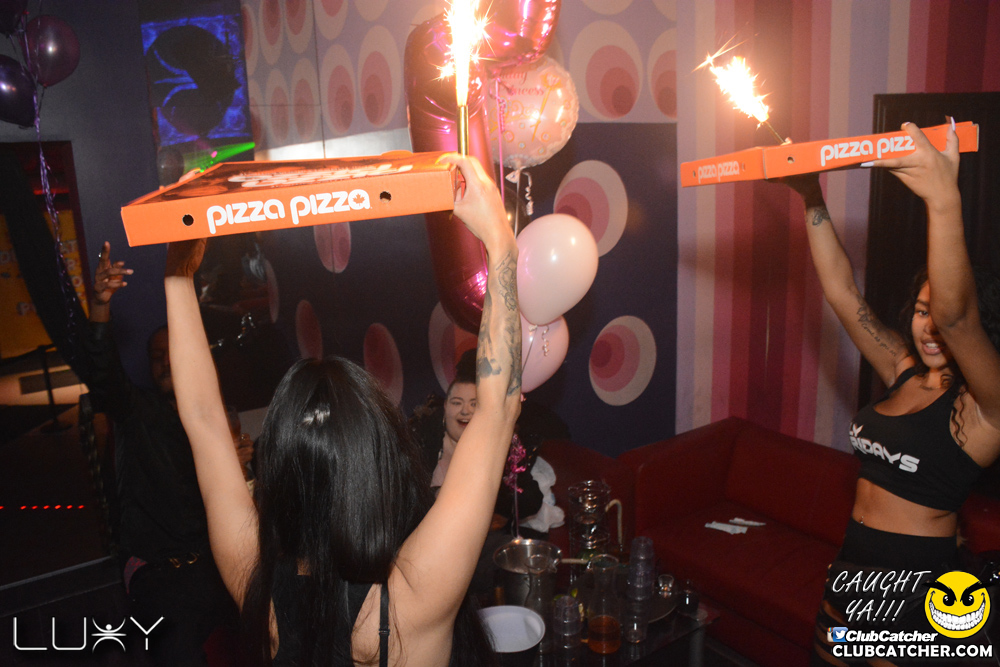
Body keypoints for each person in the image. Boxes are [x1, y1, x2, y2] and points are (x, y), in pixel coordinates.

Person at [162, 153, 521, 666]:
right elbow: (498, 409)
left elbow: (202, 420)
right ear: (378, 465)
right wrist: (500, 243)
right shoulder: (413, 596)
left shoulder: (255, 579)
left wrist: (178, 272)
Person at [783, 122, 1000, 665]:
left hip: (918, 590)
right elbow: (841, 292)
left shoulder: (985, 407)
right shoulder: (902, 370)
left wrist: (942, 198)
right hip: (853, 573)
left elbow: (957, 317)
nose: (929, 326)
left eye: (937, 313)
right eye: (921, 311)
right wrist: (810, 193)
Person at [84, 242, 238, 666]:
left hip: (215, 566)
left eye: (175, 355)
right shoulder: (138, 413)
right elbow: (103, 375)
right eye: (157, 358)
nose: (168, 364)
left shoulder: (215, 420)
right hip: (161, 580)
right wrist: (100, 304)